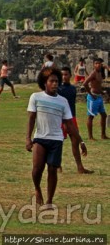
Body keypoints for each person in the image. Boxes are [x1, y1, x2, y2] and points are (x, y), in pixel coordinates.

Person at [26, 65, 85, 206]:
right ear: (45, 82)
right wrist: (28, 138)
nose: (54, 84)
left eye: (56, 81)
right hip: (40, 138)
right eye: (51, 81)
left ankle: (49, 201)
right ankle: (37, 189)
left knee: (53, 169)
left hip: (56, 139)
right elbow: (31, 118)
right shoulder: (36, 97)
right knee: (37, 169)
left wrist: (81, 141)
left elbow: (70, 124)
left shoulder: (62, 101)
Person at [58, 66, 92, 174]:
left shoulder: (73, 89)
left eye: (66, 74)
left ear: (70, 75)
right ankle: (57, 165)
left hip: (72, 117)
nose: (64, 77)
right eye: (62, 75)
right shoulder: (58, 89)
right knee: (58, 143)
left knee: (75, 142)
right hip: (60, 118)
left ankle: (80, 167)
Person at [83, 58, 107, 140]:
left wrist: (102, 92)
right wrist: (90, 94)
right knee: (91, 116)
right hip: (93, 97)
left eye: (99, 63)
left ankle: (103, 135)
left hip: (99, 96)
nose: (98, 65)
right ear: (94, 65)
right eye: (96, 63)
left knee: (104, 115)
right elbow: (85, 83)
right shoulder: (93, 73)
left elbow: (97, 85)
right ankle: (90, 137)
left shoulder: (100, 73)